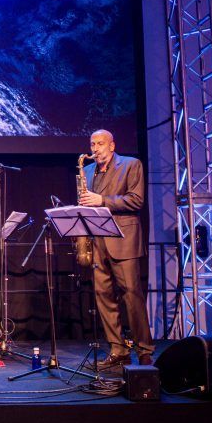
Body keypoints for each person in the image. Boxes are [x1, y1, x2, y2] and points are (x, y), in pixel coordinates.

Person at [78, 129, 154, 369]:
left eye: (100, 144)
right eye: (93, 144)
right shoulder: (87, 171)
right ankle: (118, 350)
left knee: (132, 296)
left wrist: (103, 201)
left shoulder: (131, 164)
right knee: (104, 297)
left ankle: (144, 350)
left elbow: (136, 200)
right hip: (97, 241)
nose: (95, 148)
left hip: (123, 240)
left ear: (112, 146)